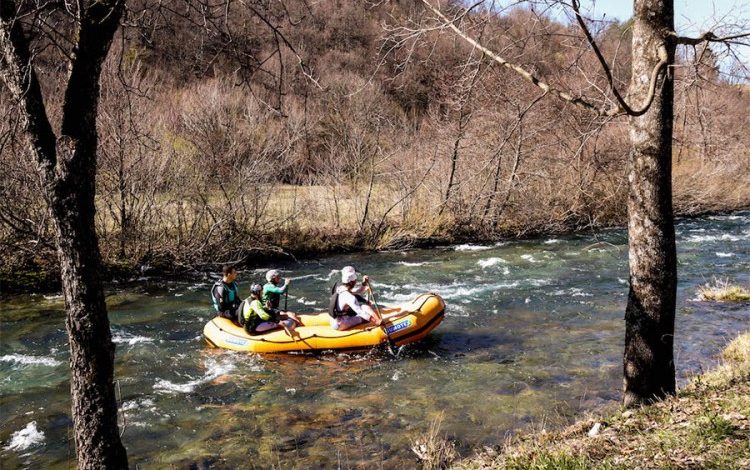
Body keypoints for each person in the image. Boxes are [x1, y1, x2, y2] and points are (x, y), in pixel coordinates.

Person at [328, 266, 383, 331]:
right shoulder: (350, 297)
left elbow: (356, 291)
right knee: (365, 313)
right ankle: (378, 321)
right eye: (355, 280)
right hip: (340, 324)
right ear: (352, 282)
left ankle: (378, 319)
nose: (356, 281)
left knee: (364, 307)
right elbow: (360, 312)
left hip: (334, 321)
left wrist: (364, 283)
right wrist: (375, 321)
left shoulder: (340, 288)